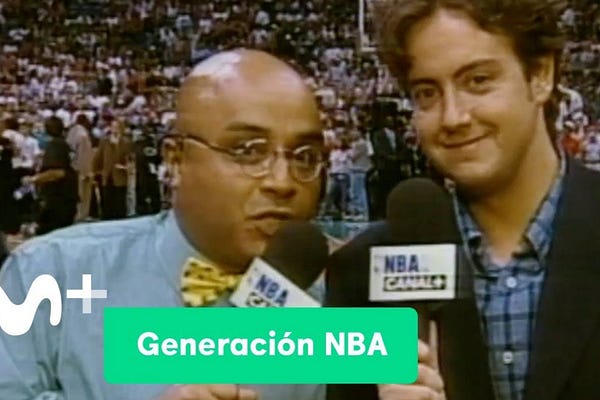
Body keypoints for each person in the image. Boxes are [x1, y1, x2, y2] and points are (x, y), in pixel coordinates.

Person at [0, 49, 327, 400]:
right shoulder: (50, 275)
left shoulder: (333, 308)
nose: (282, 181)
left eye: (305, 157)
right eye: (248, 151)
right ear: (175, 161)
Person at [327, 1, 600, 400]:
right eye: (427, 93)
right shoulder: (360, 274)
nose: (453, 117)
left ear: (541, 75)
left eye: (478, 80)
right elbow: (242, 353)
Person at [23, 117, 78, 235]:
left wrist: (33, 179)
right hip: (68, 195)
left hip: (58, 199)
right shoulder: (64, 144)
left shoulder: (55, 145)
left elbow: (57, 172)